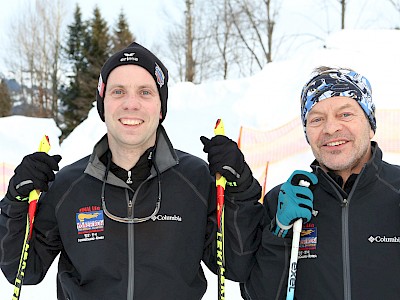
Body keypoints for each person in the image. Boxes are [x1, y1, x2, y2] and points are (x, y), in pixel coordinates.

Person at [0, 42, 264, 299]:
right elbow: (21, 271)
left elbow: (235, 265)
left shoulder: (195, 179)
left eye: (145, 92)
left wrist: (240, 189)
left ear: (161, 107)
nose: (131, 103)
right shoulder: (69, 185)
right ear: (103, 105)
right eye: (118, 92)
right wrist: (16, 201)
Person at [241, 66, 400, 300]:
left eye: (345, 114)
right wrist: (279, 232)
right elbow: (259, 296)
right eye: (317, 119)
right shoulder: (283, 201)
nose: (331, 128)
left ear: (370, 123)